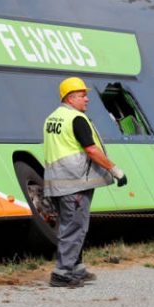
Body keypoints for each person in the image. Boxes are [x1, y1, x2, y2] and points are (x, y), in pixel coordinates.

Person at [43, 77, 127, 288]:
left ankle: (76, 268)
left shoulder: (52, 118)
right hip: (75, 182)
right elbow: (91, 149)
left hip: (57, 182)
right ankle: (62, 273)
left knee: (70, 225)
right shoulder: (76, 119)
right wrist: (115, 170)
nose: (87, 99)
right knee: (74, 227)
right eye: (82, 95)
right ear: (70, 98)